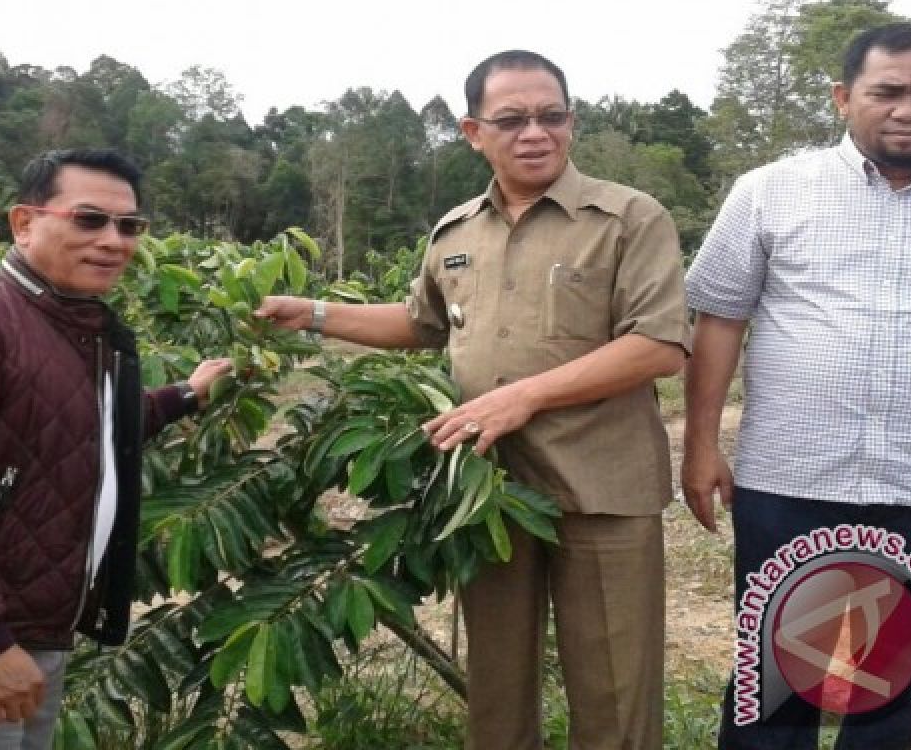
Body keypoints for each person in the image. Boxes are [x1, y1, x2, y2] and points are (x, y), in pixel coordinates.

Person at [257, 50, 689, 750]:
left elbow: (658, 346)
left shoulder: (626, 219)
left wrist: (523, 396)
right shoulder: (455, 232)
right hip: (487, 491)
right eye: (512, 118)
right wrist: (311, 313)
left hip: (604, 486)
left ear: (571, 123)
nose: (534, 132)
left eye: (551, 116)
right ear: (472, 132)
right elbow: (420, 324)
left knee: (615, 688)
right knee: (497, 686)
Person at [0, 148, 230, 748]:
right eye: (88, 219)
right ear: (24, 223)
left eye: (129, 226)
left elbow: (80, 429)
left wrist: (185, 395)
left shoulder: (71, 322)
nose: (114, 241)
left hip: (37, 624)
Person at [684, 22, 911, 748]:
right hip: (793, 481)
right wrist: (701, 446)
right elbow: (719, 319)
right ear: (844, 97)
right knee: (776, 680)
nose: (909, 108)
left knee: (904, 690)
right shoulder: (770, 192)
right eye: (887, 91)